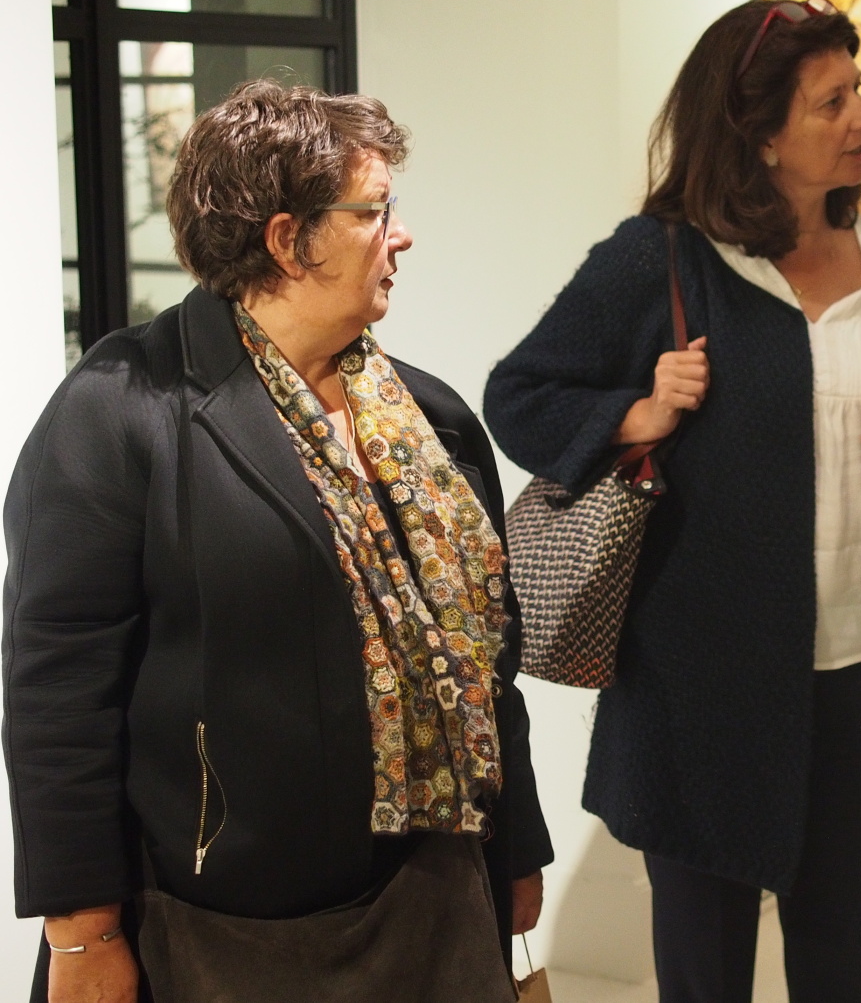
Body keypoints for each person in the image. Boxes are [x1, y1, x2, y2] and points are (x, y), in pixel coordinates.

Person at [484, 0, 861, 1003]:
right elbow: (520, 395)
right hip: (703, 693)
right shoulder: (664, 258)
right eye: (832, 102)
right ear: (759, 136)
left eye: (857, 91)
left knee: (840, 962)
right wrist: (634, 413)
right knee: (705, 972)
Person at [3, 81, 551, 1003]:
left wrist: (517, 847)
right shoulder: (125, 407)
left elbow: (486, 663)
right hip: (223, 923)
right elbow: (58, 689)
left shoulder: (433, 420)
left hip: (439, 894)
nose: (402, 236)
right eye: (374, 212)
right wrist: (83, 934)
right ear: (289, 240)